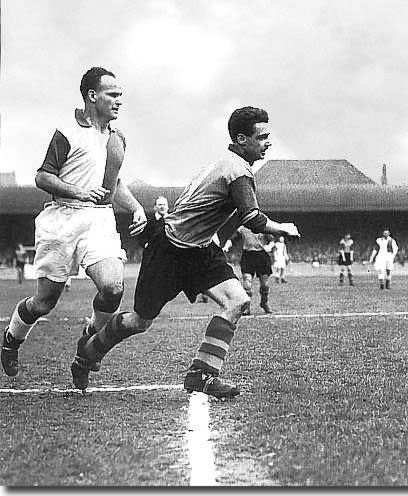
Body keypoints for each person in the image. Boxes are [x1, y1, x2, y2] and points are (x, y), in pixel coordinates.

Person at [70, 106, 299, 399]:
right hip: (170, 250)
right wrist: (284, 228)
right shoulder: (237, 170)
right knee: (138, 321)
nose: (268, 142)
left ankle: (200, 375)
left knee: (238, 300)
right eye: (262, 136)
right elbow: (252, 218)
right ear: (242, 139)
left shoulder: (224, 163)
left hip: (200, 250)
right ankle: (86, 354)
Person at [1, 67, 147, 378]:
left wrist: (135, 208)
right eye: (113, 95)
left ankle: (89, 340)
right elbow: (42, 176)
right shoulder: (67, 132)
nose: (119, 101)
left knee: (113, 287)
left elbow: (114, 183)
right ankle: (12, 340)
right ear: (93, 96)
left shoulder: (118, 138)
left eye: (121, 95)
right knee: (44, 302)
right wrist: (78, 191)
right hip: (62, 218)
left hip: (98, 219)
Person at [236, 225, 274, 315]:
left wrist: (269, 246)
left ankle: (264, 303)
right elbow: (233, 238)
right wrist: (227, 244)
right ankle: (246, 307)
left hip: (262, 255)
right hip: (248, 256)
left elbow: (272, 240)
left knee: (264, 284)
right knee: (247, 282)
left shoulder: (262, 226)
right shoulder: (241, 228)